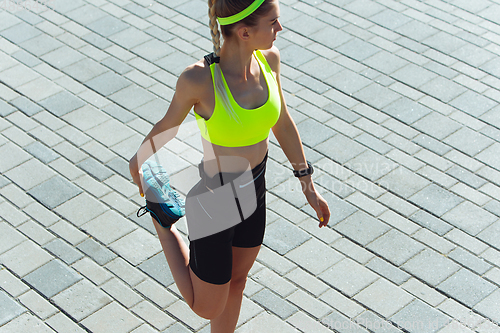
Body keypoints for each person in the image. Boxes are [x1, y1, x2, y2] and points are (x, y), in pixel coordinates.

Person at [129, 0, 331, 331]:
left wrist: (308, 186)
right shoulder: (199, 80)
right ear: (245, 31)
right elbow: (168, 125)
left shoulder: (270, 61)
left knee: (237, 282)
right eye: (274, 22)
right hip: (215, 198)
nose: (280, 29)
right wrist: (138, 163)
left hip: (255, 189)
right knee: (206, 306)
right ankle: (163, 222)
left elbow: (281, 122)